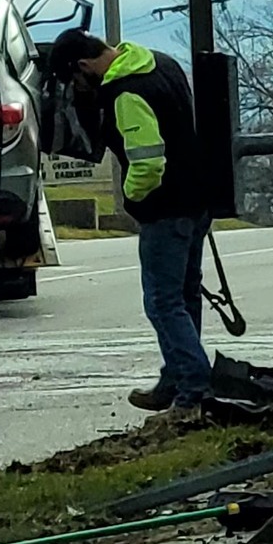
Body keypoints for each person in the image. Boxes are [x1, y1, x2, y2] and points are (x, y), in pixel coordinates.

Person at [48, 28, 219, 413]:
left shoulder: (126, 92)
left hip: (165, 209)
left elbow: (148, 162)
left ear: (84, 65)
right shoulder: (161, 61)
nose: (78, 88)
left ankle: (193, 390)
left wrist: (132, 197)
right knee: (186, 295)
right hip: (197, 200)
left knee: (163, 302)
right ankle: (175, 379)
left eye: (74, 80)